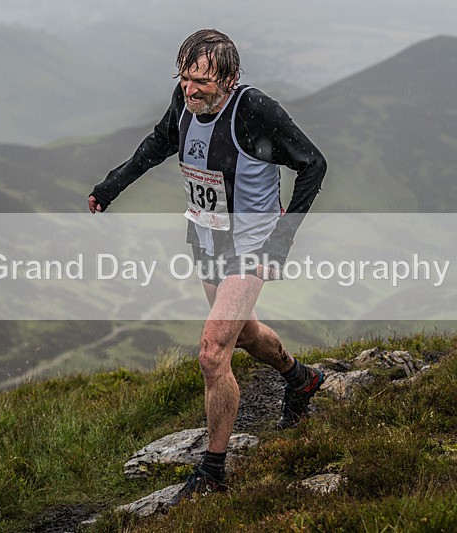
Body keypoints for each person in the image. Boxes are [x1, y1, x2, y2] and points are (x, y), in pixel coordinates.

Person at [88, 29, 328, 508]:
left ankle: (214, 471)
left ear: (231, 79)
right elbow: (155, 146)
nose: (191, 90)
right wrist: (110, 187)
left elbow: (313, 164)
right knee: (240, 333)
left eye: (203, 82)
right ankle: (300, 378)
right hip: (207, 240)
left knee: (211, 352)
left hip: (252, 245)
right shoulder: (184, 104)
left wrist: (281, 240)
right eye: (184, 79)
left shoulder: (254, 110)